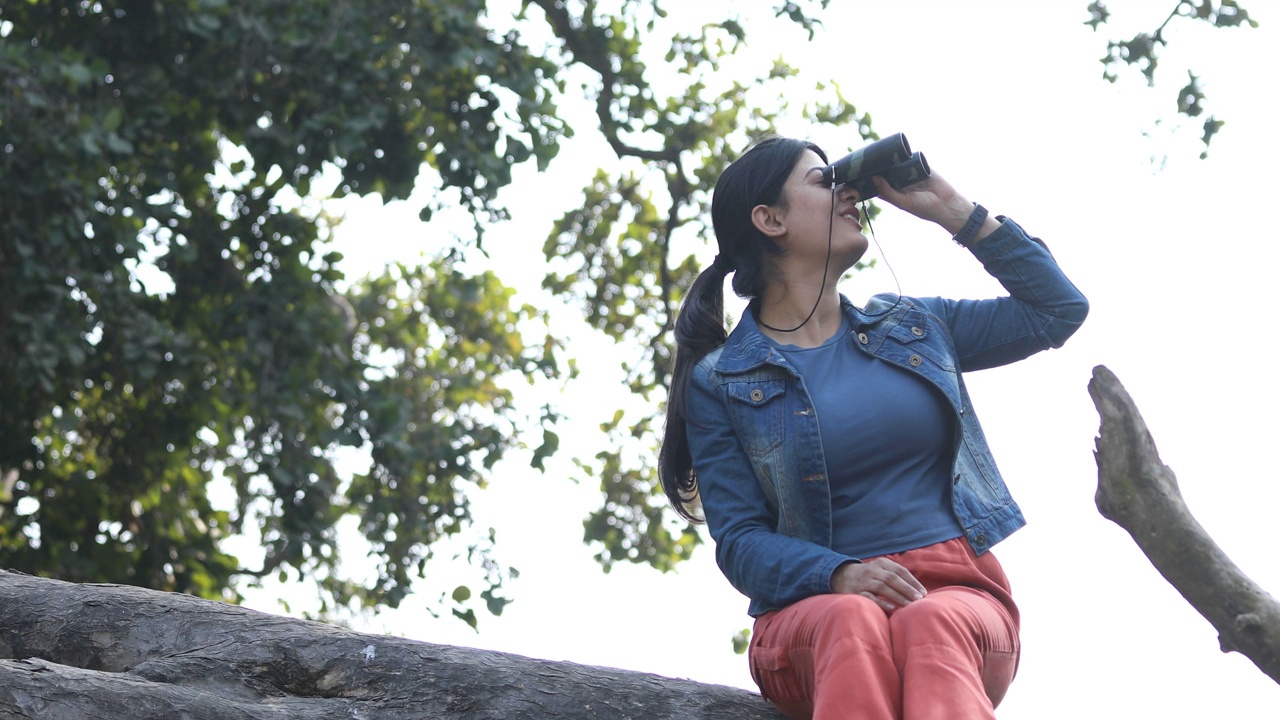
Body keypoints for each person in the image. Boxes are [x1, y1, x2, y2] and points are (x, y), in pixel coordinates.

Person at [658, 135, 1089, 720]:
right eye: (823, 181)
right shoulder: (722, 380)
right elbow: (739, 543)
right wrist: (839, 574)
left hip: (959, 597)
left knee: (929, 622)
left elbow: (1057, 310)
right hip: (813, 619)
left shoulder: (914, 326)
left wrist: (950, 208)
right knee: (852, 619)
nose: (850, 192)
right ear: (769, 219)